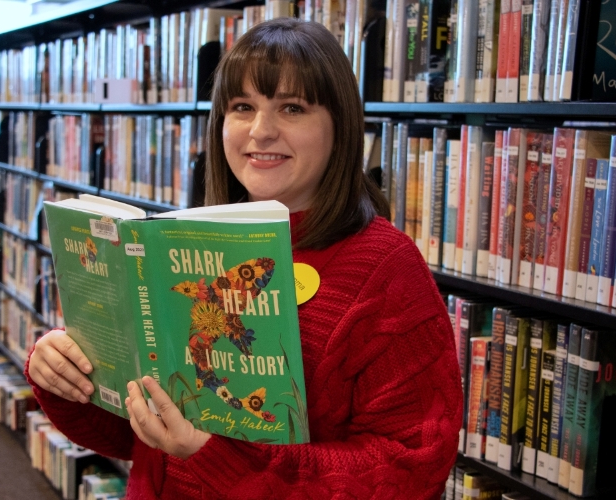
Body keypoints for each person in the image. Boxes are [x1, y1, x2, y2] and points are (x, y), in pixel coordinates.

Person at [26, 18, 462, 499]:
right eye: (242, 107)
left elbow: (412, 468)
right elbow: (135, 437)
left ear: (339, 125)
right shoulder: (188, 242)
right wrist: (65, 379)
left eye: (291, 108)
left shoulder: (387, 270)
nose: (261, 130)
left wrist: (215, 457)